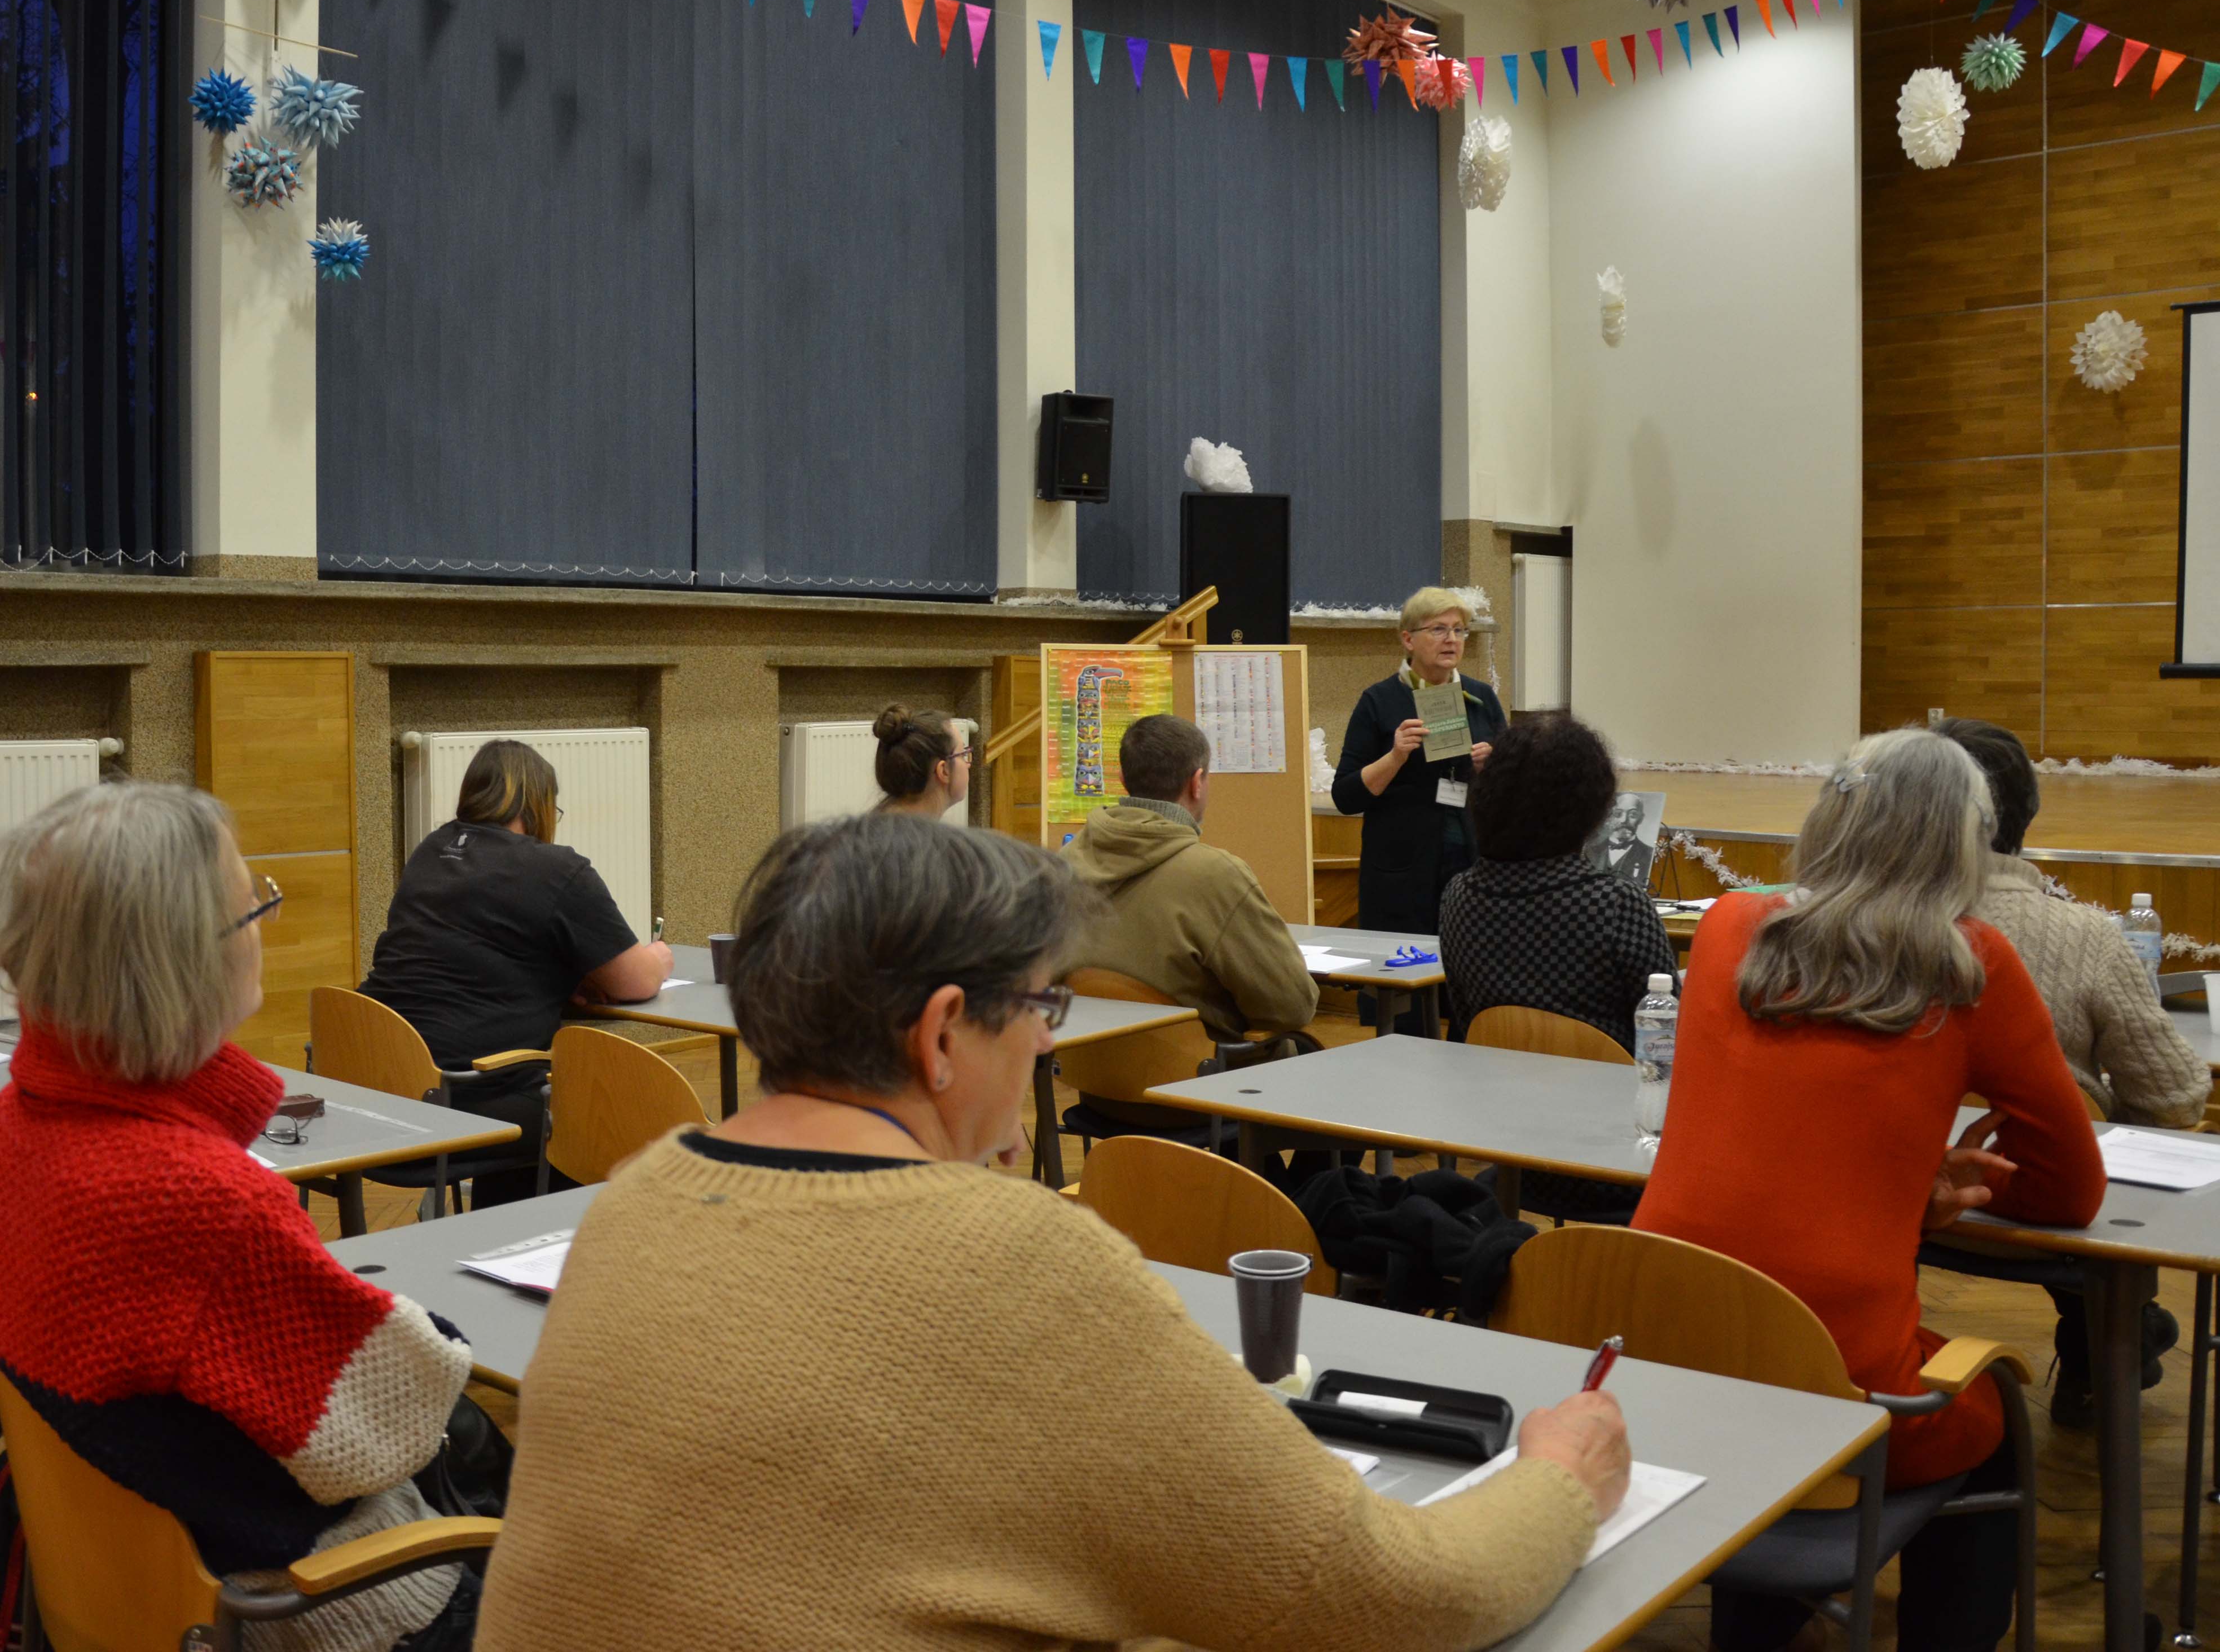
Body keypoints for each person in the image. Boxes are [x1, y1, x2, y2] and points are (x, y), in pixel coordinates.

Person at [477, 813, 1629, 1652]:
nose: (1044, 1042)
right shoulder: (1019, 1260)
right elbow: (1400, 1596)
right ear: (941, 1034)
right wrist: (1559, 1478)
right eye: (1039, 1006)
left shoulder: (632, 1200)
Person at [0, 784, 479, 1651]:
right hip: (309, 1606)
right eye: (254, 907)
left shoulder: (19, 1125)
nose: (264, 927)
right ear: (182, 960)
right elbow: (393, 1431)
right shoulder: (200, 1202)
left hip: (123, 1594)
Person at [1633, 729, 2105, 1652]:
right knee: (1994, 1422)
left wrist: (1896, 1181)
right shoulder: (1969, 963)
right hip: (1840, 1385)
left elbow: (1783, 1137)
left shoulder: (1729, 925)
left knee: (1764, 1363)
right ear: (1965, 843)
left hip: (1665, 1352)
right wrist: (1921, 1185)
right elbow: (2070, 1188)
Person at [1932, 716, 2199, 1425]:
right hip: (2041, 1203)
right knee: (2094, 1136)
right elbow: (2176, 1099)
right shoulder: (2087, 938)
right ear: (2025, 813)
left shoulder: (1853, 928)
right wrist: (2092, 1109)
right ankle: (2099, 1349)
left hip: (1891, 1201)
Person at [364, 740, 671, 1204]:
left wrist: (563, 979)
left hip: (380, 1087)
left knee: (554, 1094)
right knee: (608, 1114)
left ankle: (496, 1233)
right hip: (462, 1097)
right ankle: (544, 1243)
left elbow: (473, 955)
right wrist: (660, 957)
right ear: (538, 805)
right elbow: (638, 981)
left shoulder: (432, 850)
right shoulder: (557, 869)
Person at [1439, 712, 1676, 1218]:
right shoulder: (1616, 904)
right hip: (1621, 1157)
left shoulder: (1459, 896)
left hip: (1511, 1150)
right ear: (1592, 806)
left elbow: (1468, 1018)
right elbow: (1666, 1042)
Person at [1062, 712, 1317, 1047]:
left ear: (1123, 779)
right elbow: (1292, 1006)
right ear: (1197, 783)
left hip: (1084, 1066)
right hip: (1209, 1073)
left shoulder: (1061, 865)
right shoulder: (1215, 875)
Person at [1332, 585, 1506, 942]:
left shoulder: (1481, 697)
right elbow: (1345, 797)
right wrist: (1395, 757)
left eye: (1459, 630)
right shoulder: (1379, 700)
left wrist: (1494, 768)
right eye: (1439, 629)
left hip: (1471, 864)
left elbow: (1514, 790)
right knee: (1401, 967)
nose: (1452, 639)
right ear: (1408, 639)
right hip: (1401, 870)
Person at [871, 704, 970, 818]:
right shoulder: (910, 828)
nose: (968, 765)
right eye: (963, 754)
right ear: (944, 771)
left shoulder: (881, 821)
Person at [1587, 795, 1654, 891]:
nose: (1624, 820)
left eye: (1633, 815)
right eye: (1618, 814)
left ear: (1641, 819)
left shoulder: (1649, 854)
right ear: (1609, 817)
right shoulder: (1589, 851)